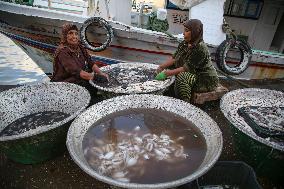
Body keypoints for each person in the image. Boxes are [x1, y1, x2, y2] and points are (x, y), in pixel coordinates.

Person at [155, 19, 219, 103]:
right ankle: (169, 93)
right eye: (184, 30)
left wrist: (166, 73)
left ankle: (184, 103)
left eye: (187, 31)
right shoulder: (185, 43)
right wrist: (161, 67)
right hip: (193, 73)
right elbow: (175, 58)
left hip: (204, 79)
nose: (183, 33)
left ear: (195, 32)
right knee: (170, 67)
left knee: (182, 77)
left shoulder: (201, 48)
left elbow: (186, 68)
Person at [52, 23, 109, 101]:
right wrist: (96, 77)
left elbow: (90, 62)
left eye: (76, 34)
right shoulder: (63, 52)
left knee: (94, 86)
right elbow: (77, 72)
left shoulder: (79, 47)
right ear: (65, 35)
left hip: (78, 80)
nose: (74, 36)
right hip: (65, 85)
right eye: (70, 33)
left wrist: (101, 73)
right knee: (92, 88)